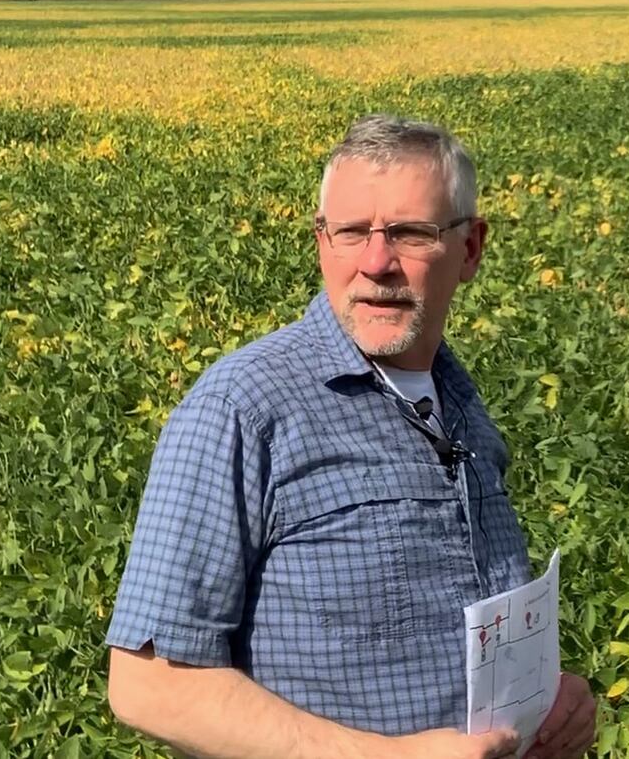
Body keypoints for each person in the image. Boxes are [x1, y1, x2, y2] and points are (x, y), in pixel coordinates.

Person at [105, 116, 596, 759]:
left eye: (411, 234)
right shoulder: (244, 406)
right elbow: (149, 685)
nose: (375, 263)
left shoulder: (459, 400)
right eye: (351, 232)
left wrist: (550, 699)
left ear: (471, 248)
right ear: (321, 242)